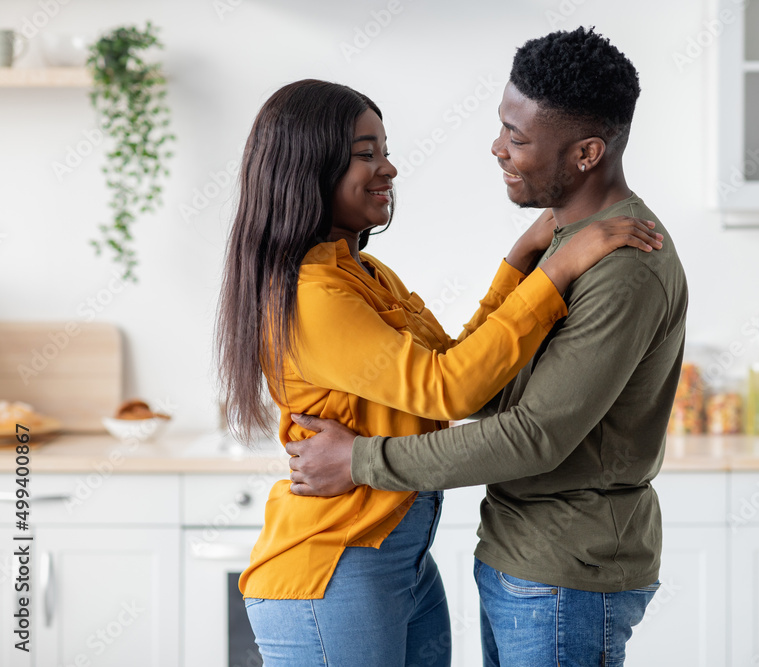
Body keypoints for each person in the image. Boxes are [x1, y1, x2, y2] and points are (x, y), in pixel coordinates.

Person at [214, 78, 663, 666]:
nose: (389, 168)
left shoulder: (365, 273)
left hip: (402, 556)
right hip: (334, 560)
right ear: (309, 170)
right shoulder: (311, 295)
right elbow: (448, 390)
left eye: (385, 150)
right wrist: (557, 272)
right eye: (366, 154)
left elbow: (458, 366)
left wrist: (518, 263)